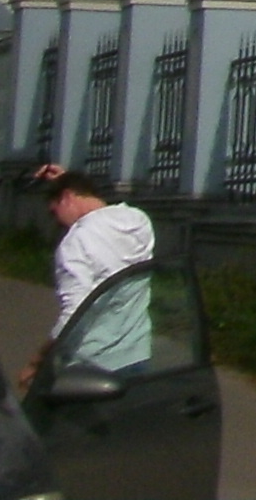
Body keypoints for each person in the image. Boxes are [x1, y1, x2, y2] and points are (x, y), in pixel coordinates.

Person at [22, 166, 155, 388]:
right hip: (137, 356)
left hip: (91, 367)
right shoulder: (138, 220)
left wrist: (38, 362)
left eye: (55, 212)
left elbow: (72, 315)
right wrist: (68, 182)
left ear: (66, 197)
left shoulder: (75, 243)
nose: (58, 222)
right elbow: (106, 228)